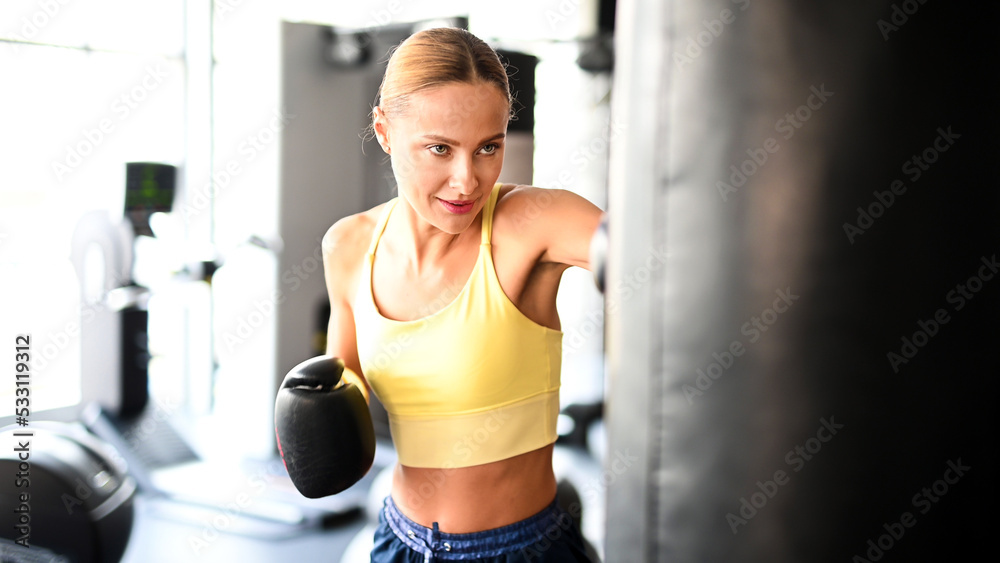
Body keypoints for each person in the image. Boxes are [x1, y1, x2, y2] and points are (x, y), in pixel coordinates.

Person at [322, 26, 604, 562]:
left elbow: (670, 255)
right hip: (397, 542)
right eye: (439, 149)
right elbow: (345, 384)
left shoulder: (536, 223)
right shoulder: (350, 245)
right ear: (384, 130)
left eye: (488, 148)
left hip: (523, 550)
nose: (466, 181)